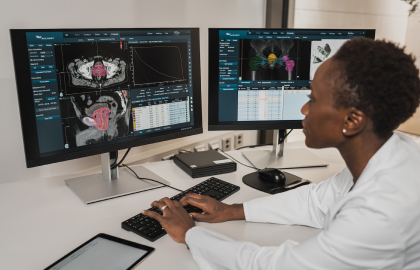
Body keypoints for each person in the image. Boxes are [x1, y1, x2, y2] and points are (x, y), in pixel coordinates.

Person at [143, 38, 420, 269]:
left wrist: (190, 234)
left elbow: (275, 266)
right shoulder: (393, 150)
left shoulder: (380, 213)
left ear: (352, 121)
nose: (304, 110)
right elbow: (316, 202)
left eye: (312, 98)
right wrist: (230, 211)